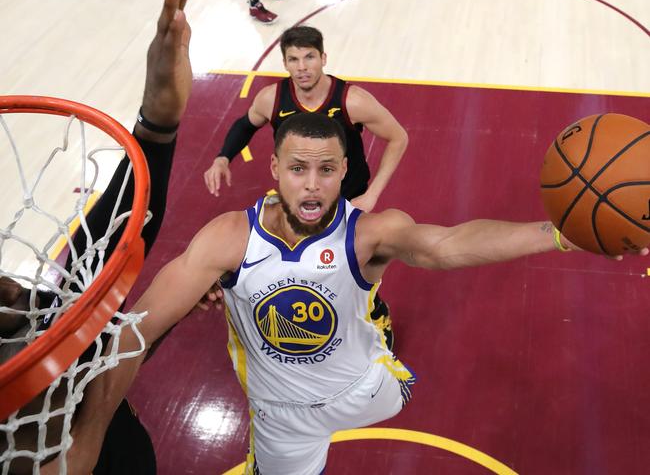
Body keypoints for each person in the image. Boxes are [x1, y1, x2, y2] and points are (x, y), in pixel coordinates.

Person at [69, 111, 646, 474]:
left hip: (370, 387)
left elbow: (446, 245)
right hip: (284, 414)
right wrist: (86, 440)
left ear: (347, 171)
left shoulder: (371, 232)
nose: (313, 185)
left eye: (327, 169)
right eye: (298, 169)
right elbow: (134, 332)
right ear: (273, 168)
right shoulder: (227, 239)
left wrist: (559, 234)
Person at [0, 0, 193, 473]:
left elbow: (101, 250)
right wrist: (104, 400)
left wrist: (158, 122)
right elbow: (77, 457)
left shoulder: (36, 322)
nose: (8, 281)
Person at [203, 25, 408, 349]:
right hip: (297, 202)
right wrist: (222, 158)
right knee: (304, 263)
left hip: (347, 200)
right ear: (285, 63)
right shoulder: (272, 99)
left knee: (356, 264)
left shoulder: (351, 100)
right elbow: (245, 124)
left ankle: (376, 314)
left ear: (323, 58)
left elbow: (399, 136)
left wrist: (372, 194)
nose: (302, 67)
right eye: (293, 59)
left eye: (309, 57)